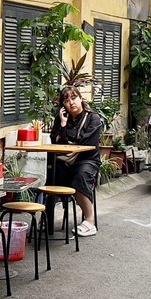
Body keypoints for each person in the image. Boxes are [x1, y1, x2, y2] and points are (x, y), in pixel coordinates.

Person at [49, 85, 104, 237]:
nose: (71, 103)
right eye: (67, 100)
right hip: (66, 160)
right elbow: (55, 141)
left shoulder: (93, 118)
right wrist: (63, 125)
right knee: (52, 174)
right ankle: (47, 218)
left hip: (87, 160)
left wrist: (66, 142)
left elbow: (86, 144)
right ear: (63, 105)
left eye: (74, 98)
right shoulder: (61, 119)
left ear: (80, 98)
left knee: (80, 176)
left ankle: (90, 221)